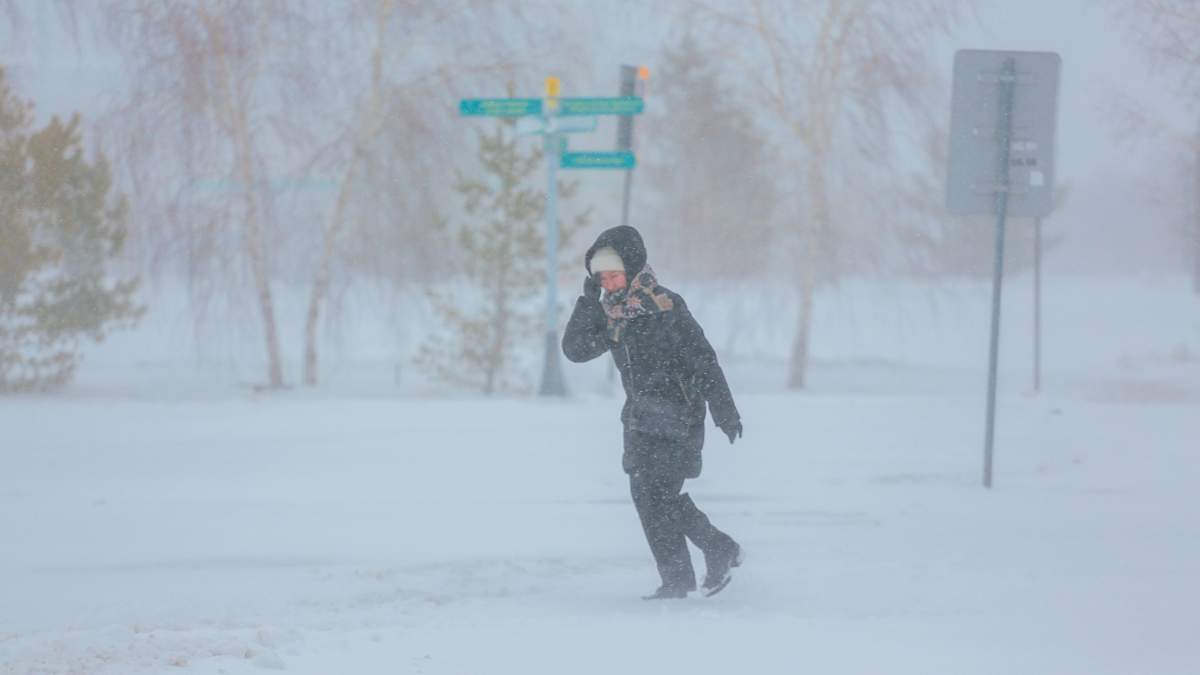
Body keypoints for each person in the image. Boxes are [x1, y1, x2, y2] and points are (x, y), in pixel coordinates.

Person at [562, 225, 744, 599]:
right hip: (640, 417)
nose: (610, 283)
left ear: (632, 268)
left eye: (615, 275)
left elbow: (703, 359)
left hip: (678, 414)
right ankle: (682, 575)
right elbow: (575, 350)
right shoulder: (610, 315)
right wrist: (586, 304)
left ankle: (714, 550)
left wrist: (724, 410)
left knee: (658, 495)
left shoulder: (665, 305)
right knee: (647, 498)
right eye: (602, 278)